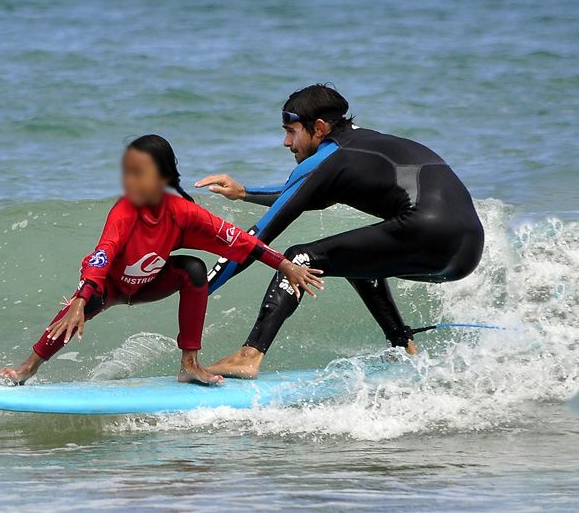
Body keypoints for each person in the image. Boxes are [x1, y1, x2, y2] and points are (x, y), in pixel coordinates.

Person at [195, 84, 484, 379]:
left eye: (291, 131)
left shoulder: (329, 159)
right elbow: (304, 192)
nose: (286, 142)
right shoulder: (363, 145)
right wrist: (245, 192)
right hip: (467, 250)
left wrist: (199, 290)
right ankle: (404, 346)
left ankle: (248, 356)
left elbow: (255, 241)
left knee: (298, 259)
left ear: (318, 128)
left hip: (427, 232)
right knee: (358, 261)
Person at [0, 134, 323, 386]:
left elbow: (237, 239)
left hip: (151, 283)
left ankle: (190, 364)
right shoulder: (125, 210)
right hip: (110, 286)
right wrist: (83, 297)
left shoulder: (182, 213)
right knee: (75, 310)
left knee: (193, 269)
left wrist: (285, 265)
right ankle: (29, 367)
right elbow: (104, 251)